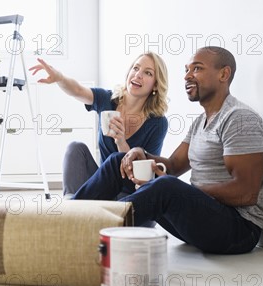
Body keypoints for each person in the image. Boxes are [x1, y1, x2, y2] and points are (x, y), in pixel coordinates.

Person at [73, 46, 263, 255]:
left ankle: (83, 231)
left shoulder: (240, 119)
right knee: (120, 160)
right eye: (187, 70)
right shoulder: (201, 122)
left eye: (197, 69)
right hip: (202, 218)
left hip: (237, 231)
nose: (187, 76)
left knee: (165, 186)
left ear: (224, 74)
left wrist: (183, 190)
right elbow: (173, 166)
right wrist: (142, 153)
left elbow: (246, 193)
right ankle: (68, 217)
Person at [29, 53, 169, 198]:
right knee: (75, 148)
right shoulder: (108, 99)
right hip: (101, 185)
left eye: (148, 73)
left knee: (129, 209)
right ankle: (70, 205)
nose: (138, 74)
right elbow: (78, 90)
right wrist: (60, 78)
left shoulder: (157, 123)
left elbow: (145, 175)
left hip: (130, 192)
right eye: (136, 68)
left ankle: (82, 209)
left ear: (156, 85)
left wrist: (121, 141)